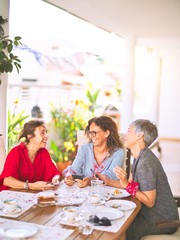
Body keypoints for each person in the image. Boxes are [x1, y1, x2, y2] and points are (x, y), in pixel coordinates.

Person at [113, 119, 179, 240]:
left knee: (119, 230)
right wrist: (108, 182)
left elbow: (149, 201)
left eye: (128, 131)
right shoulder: (140, 157)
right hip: (156, 216)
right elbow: (130, 186)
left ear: (140, 136)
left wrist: (126, 184)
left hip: (164, 221)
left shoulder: (145, 163)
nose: (125, 135)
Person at [63, 116, 125, 188]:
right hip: (84, 193)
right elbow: (74, 169)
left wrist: (90, 180)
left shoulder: (118, 152)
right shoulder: (84, 149)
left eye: (94, 132)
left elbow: (110, 176)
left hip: (108, 194)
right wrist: (69, 177)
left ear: (107, 133)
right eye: (90, 133)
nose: (91, 136)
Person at [0, 120, 61, 191]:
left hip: (32, 194)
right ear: (30, 136)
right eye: (42, 133)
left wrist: (55, 179)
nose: (46, 136)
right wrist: (30, 186)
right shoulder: (16, 152)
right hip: (12, 196)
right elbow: (7, 181)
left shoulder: (43, 152)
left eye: (46, 132)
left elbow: (54, 172)